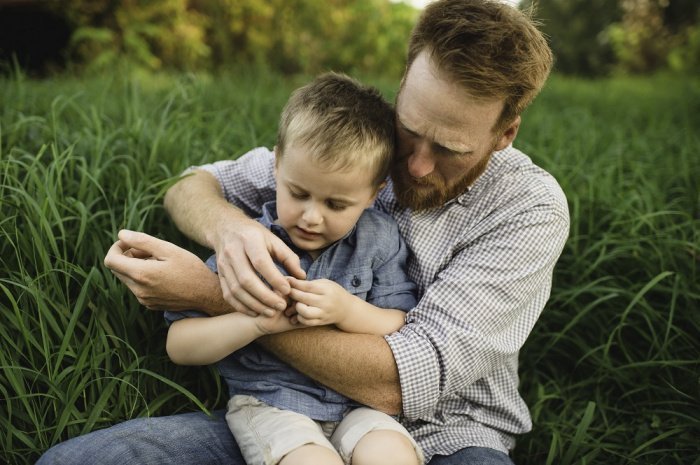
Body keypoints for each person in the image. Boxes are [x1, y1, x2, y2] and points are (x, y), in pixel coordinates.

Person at [39, 1, 569, 464]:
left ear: (505, 133)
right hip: (282, 411)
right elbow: (189, 186)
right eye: (410, 130)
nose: (419, 165)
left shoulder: (528, 209)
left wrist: (215, 294)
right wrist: (230, 230)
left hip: (450, 436)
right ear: (405, 83)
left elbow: (394, 384)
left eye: (451, 149)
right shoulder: (358, 142)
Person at [164, 72, 422, 465]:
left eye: (336, 205)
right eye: (298, 194)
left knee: (390, 454)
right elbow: (179, 344)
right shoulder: (249, 246)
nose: (311, 217)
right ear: (277, 166)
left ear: (375, 192)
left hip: (357, 405)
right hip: (272, 404)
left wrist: (347, 310)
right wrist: (254, 325)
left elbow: (397, 321)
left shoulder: (379, 240)